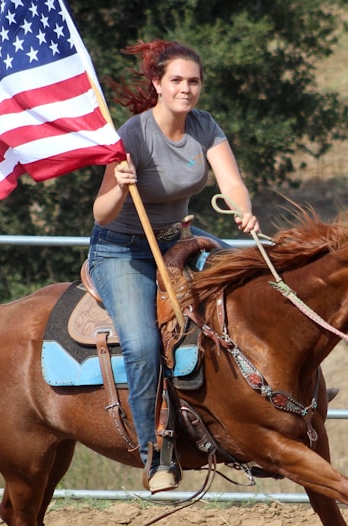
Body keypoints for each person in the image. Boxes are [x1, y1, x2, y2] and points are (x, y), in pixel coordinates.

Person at [88, 40, 260, 493]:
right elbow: (100, 213)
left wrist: (243, 209)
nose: (187, 89)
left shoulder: (204, 126)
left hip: (177, 240)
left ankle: (272, 402)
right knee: (144, 345)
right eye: (177, 81)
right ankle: (153, 453)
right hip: (122, 249)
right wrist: (121, 187)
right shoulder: (134, 135)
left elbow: (233, 182)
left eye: (194, 81)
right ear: (158, 85)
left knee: (253, 279)